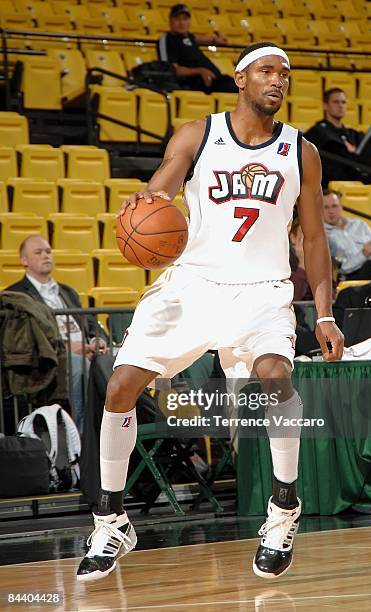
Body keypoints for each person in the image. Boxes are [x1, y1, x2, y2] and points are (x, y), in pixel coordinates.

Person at [76, 41, 343, 583]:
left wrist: (325, 314)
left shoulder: (301, 152)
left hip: (263, 288)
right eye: (267, 71)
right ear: (240, 79)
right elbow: (165, 184)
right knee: (121, 386)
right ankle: (110, 520)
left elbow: (313, 239)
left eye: (285, 74)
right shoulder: (199, 133)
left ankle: (283, 509)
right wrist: (146, 201)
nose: (278, 80)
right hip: (193, 284)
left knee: (275, 377)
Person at [5, 235, 108, 433]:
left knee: (121, 361)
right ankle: (81, 438)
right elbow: (25, 341)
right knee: (80, 366)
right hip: (51, 359)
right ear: (24, 260)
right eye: (38, 252)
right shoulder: (16, 295)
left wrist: (96, 341)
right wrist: (68, 348)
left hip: (87, 352)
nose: (46, 255)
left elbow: (89, 323)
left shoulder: (68, 291)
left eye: (48, 251)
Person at [305, 87, 371, 186]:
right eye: (336, 102)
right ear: (325, 106)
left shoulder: (353, 134)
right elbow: (335, 163)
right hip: (341, 178)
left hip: (362, 176)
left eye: (343, 102)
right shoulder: (318, 131)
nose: (340, 106)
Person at [157, 4, 238, 94]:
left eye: (185, 19)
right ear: (170, 21)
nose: (182, 23)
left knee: (241, 87)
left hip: (216, 79)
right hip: (197, 84)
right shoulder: (168, 39)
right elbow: (170, 70)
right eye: (177, 19)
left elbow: (195, 37)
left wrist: (214, 39)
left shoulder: (187, 37)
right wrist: (200, 71)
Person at [323, 189, 371, 280]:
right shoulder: (324, 235)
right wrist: (363, 254)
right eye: (326, 207)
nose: (331, 211)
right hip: (352, 275)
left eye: (334, 206)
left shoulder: (359, 224)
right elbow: (342, 269)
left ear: (341, 207)